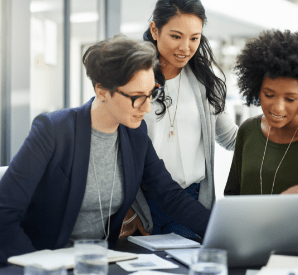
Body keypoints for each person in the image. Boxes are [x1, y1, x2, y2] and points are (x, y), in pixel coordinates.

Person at [0, 35, 211, 267]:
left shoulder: (135, 133)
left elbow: (169, 195)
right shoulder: (54, 131)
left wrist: (218, 229)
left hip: (101, 263)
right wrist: (39, 269)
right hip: (45, 261)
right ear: (102, 91)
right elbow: (5, 211)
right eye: (137, 97)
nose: (148, 107)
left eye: (151, 94)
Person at [120, 0, 238, 238]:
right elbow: (114, 147)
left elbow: (230, 137)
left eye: (194, 38)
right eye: (176, 36)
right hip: (142, 204)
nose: (186, 47)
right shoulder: (131, 79)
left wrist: (281, 130)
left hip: (192, 202)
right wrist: (128, 209)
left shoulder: (206, 83)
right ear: (155, 30)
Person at [224, 29, 298, 248]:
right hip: (251, 250)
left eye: (290, 98)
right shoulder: (248, 131)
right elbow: (232, 201)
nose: (277, 107)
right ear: (256, 88)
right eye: (269, 94)